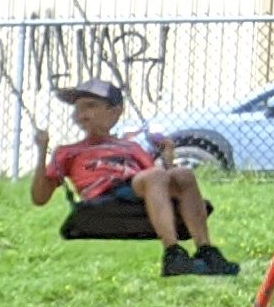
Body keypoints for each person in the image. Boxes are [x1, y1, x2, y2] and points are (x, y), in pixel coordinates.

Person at [30, 77, 233, 274]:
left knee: (184, 174)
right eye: (78, 108)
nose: (82, 115)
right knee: (155, 176)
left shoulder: (131, 147)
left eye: (91, 106)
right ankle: (173, 254)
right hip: (105, 195)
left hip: (137, 188)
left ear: (114, 112)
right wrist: (42, 151)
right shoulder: (68, 152)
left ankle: (206, 250)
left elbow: (161, 182)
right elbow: (39, 198)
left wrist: (168, 159)